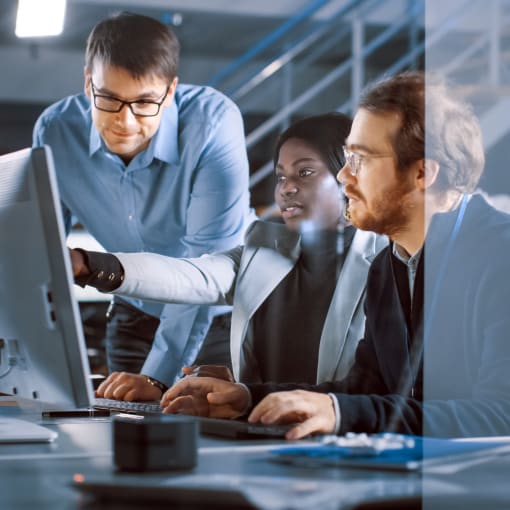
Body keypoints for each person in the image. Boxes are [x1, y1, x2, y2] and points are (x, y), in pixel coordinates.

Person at [160, 71, 510, 439]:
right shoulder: (388, 266)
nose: (343, 176)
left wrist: (342, 412)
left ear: (422, 172)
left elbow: (501, 415)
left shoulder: (498, 255)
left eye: (359, 159)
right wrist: (248, 398)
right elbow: (366, 391)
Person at [71, 113, 386, 399]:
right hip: (264, 435)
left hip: (349, 441)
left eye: (304, 172)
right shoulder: (262, 248)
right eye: (280, 176)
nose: (287, 187)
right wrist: (90, 265)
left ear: (349, 180)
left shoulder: (388, 262)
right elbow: (190, 277)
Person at [33, 12, 253, 400]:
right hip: (133, 311)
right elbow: (39, 252)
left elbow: (206, 271)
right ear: (88, 83)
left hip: (218, 318)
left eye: (145, 102)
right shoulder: (54, 131)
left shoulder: (213, 124)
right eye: (109, 99)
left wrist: (157, 376)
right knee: (116, 433)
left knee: (205, 443)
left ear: (169, 92)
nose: (125, 121)